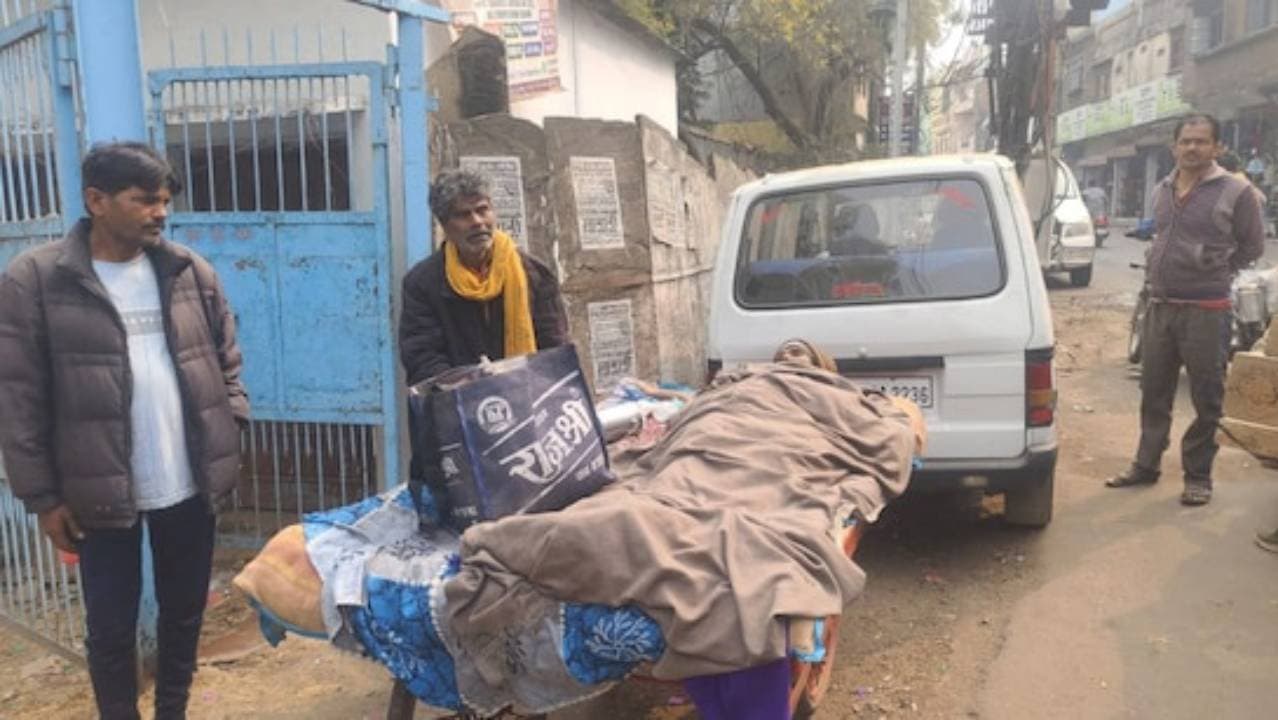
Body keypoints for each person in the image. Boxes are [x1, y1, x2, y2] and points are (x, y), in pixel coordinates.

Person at [0, 142, 249, 719]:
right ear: (97, 200)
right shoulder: (36, 280)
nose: (160, 212)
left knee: (184, 612)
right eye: (144, 201)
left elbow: (226, 357)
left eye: (164, 201)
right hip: (95, 490)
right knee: (110, 625)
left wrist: (229, 423)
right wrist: (42, 496)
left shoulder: (188, 269)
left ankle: (172, 711)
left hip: (188, 480)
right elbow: (17, 395)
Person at [1106, 114, 1266, 506]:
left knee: (1207, 397)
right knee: (1153, 392)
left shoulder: (1235, 192)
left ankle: (1198, 476)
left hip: (1207, 310)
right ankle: (1146, 465)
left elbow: (1252, 246)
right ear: (1174, 146)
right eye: (1186, 141)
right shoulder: (1163, 188)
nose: (1192, 148)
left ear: (1217, 148)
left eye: (1201, 141)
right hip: (1160, 306)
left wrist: (1215, 267)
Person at [399, 170, 568, 385]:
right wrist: (473, 383)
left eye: (482, 210)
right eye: (463, 215)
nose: (477, 222)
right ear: (444, 226)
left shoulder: (535, 274)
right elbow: (422, 356)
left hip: (530, 397)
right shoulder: (423, 283)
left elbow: (555, 348)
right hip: (460, 404)